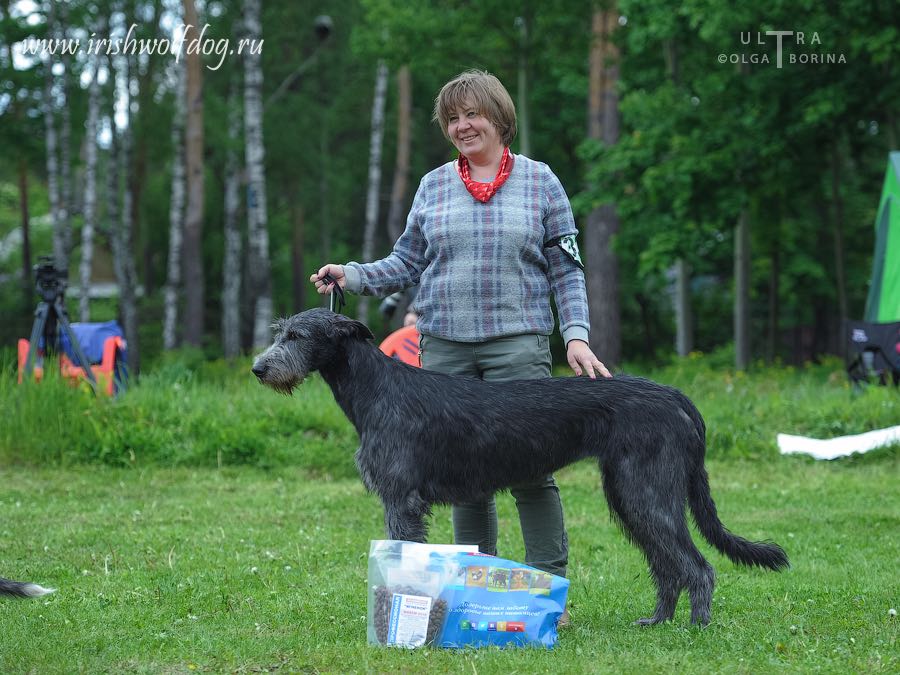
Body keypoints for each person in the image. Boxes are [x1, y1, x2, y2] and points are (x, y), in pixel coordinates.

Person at [311, 70, 610, 595]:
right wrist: (351, 275)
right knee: (463, 478)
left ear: (499, 117)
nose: (462, 126)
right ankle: (478, 588)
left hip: (518, 347)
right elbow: (406, 262)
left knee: (531, 474)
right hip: (445, 348)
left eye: (472, 114)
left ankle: (548, 591)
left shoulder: (542, 182)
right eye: (452, 118)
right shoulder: (433, 185)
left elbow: (566, 269)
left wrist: (577, 335)